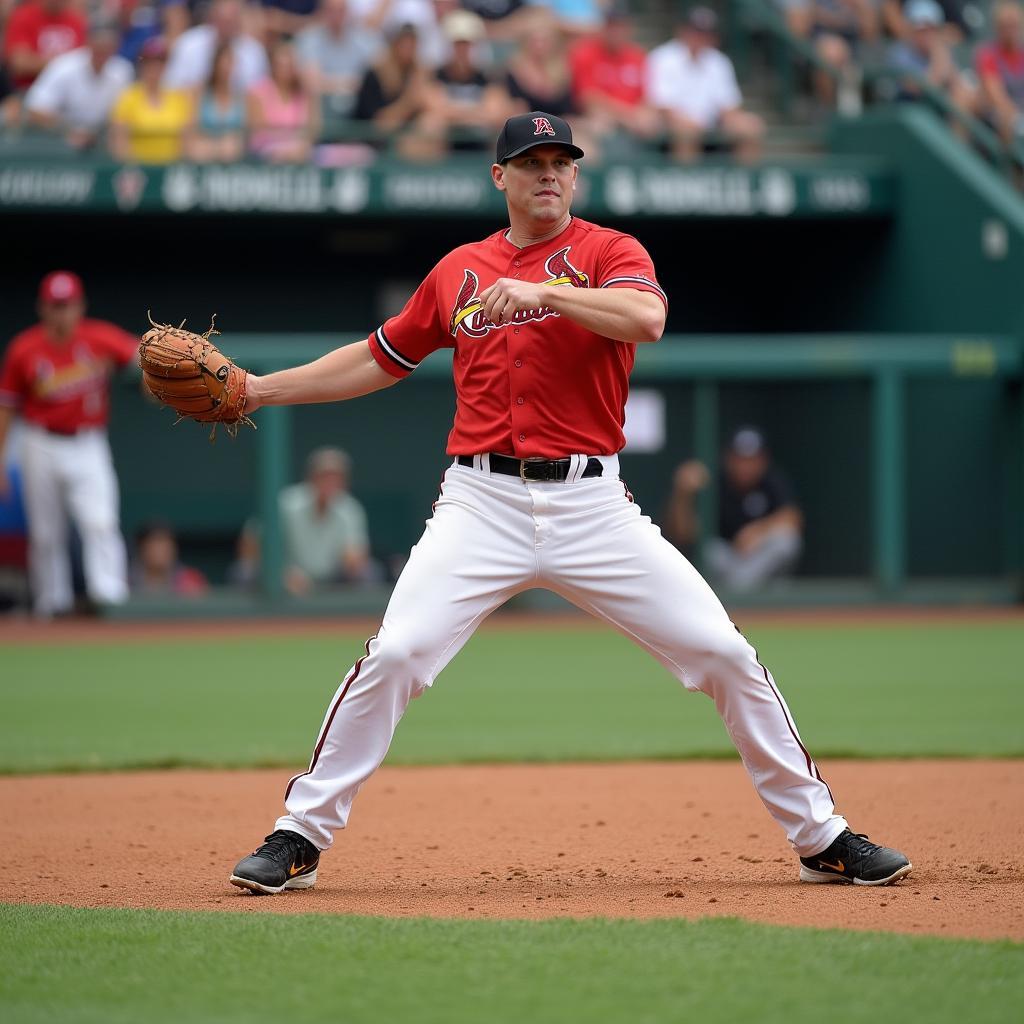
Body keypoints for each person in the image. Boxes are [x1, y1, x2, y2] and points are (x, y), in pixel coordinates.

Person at [226, 110, 912, 896]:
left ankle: (821, 836)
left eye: (561, 160)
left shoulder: (608, 251)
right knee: (398, 654)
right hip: (480, 502)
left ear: (576, 175)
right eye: (530, 161)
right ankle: (298, 836)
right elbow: (381, 357)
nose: (548, 172)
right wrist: (258, 389)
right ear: (500, 178)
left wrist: (545, 293)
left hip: (595, 506)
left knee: (722, 653)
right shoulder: (458, 270)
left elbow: (646, 318)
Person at [0, 271, 136, 618]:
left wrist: (153, 379)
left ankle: (109, 597)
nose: (62, 313)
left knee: (100, 520)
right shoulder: (24, 348)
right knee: (46, 533)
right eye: (55, 305)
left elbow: (142, 356)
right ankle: (52, 604)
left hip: (88, 442)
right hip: (39, 441)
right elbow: (7, 406)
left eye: (68, 305)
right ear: (42, 307)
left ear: (80, 306)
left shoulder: (100, 338)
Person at [664, 427, 804, 592]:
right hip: (727, 559)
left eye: (752, 459)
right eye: (740, 459)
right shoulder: (715, 482)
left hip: (758, 560)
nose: (745, 466)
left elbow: (793, 518)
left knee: (786, 541)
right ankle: (745, 591)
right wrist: (683, 494)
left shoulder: (772, 480)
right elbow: (684, 534)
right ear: (729, 459)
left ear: (763, 460)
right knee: (709, 552)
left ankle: (741, 590)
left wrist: (758, 532)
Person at [646, 6, 764, 162]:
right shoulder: (663, 57)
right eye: (695, 32)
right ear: (683, 31)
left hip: (712, 123)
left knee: (751, 126)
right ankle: (687, 182)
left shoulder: (719, 61)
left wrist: (732, 119)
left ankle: (748, 182)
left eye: (705, 33)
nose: (699, 38)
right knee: (686, 131)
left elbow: (729, 106)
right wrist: (690, 122)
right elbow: (662, 105)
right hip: (673, 125)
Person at [23, 18, 133, 149]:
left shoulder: (123, 71)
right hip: (60, 140)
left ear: (116, 46)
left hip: (104, 141)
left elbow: (126, 115)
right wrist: (69, 131)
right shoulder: (64, 66)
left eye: (108, 45)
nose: (102, 50)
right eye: (98, 44)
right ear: (88, 42)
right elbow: (36, 109)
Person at [568, 1, 660, 148]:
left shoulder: (637, 55)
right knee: (600, 121)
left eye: (621, 26)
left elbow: (646, 96)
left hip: (634, 118)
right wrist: (628, 116)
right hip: (600, 117)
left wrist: (643, 113)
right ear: (603, 27)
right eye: (612, 26)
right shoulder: (585, 52)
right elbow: (588, 98)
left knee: (651, 121)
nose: (616, 31)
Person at [422, 9, 511, 152]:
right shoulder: (436, 75)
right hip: (447, 140)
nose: (462, 50)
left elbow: (496, 113)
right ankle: (433, 172)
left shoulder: (488, 76)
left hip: (480, 138)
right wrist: (476, 114)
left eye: (466, 44)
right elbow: (435, 108)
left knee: (503, 128)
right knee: (430, 123)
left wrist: (453, 114)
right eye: (457, 44)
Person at [352, 20, 434, 152]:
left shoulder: (419, 73)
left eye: (412, 43)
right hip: (371, 144)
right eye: (404, 43)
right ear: (394, 44)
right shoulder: (376, 74)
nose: (408, 48)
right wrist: (408, 101)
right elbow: (378, 125)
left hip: (407, 139)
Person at [109, 36, 194, 164]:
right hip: (138, 171)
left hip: (171, 168)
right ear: (142, 65)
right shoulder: (128, 96)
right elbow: (119, 140)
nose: (154, 68)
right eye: (149, 62)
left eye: (159, 62)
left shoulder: (178, 97)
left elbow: (187, 140)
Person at [887, 0, 977, 116]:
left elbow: (956, 83)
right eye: (921, 30)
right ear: (910, 30)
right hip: (911, 110)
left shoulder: (943, 49)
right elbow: (918, 88)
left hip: (939, 109)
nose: (926, 35)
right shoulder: (899, 53)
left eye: (930, 29)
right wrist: (939, 56)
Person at [296, 0, 381, 120]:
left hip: (360, 113)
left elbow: (376, 80)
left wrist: (328, 82)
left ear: (348, 12)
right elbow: (311, 83)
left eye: (341, 11)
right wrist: (352, 83)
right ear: (322, 12)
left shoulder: (365, 39)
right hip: (321, 114)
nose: (336, 16)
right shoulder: (309, 38)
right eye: (331, 11)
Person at [164, 0, 269, 92]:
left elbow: (261, 93)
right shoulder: (188, 44)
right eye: (222, 21)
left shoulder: (255, 51)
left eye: (231, 22)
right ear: (212, 18)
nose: (226, 27)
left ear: (239, 22)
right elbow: (172, 86)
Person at [247, 35, 319, 162]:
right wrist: (285, 149)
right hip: (266, 154)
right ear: (273, 64)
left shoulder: (304, 91)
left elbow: (312, 128)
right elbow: (259, 132)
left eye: (290, 64)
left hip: (299, 152)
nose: (286, 69)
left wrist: (299, 146)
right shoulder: (257, 91)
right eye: (282, 64)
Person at [504, 9, 575, 119]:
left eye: (544, 40)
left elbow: (569, 111)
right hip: (528, 128)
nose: (539, 45)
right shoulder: (515, 70)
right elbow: (516, 111)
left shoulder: (563, 70)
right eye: (534, 40)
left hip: (560, 127)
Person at [2, 0, 86, 93]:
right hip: (30, 89)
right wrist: (63, 63)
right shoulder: (23, 17)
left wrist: (43, 62)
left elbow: (85, 61)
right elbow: (19, 64)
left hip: (70, 91)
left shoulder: (77, 20)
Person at [183, 41, 247, 162]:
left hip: (233, 150)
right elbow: (191, 128)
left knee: (230, 147)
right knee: (199, 150)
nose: (226, 68)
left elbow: (245, 131)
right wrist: (213, 146)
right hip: (204, 147)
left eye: (230, 63)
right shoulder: (199, 93)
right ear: (215, 65)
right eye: (223, 63)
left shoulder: (241, 96)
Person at [976, 0, 1024, 144]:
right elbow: (997, 97)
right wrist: (1017, 118)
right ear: (997, 27)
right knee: (1005, 117)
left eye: (1013, 25)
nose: (1010, 31)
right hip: (998, 118)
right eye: (1005, 26)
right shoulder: (987, 54)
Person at [130, 520, 209, 596]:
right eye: (155, 545)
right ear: (141, 548)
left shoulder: (191, 581)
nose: (160, 551)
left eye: (166, 546)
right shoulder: (126, 581)